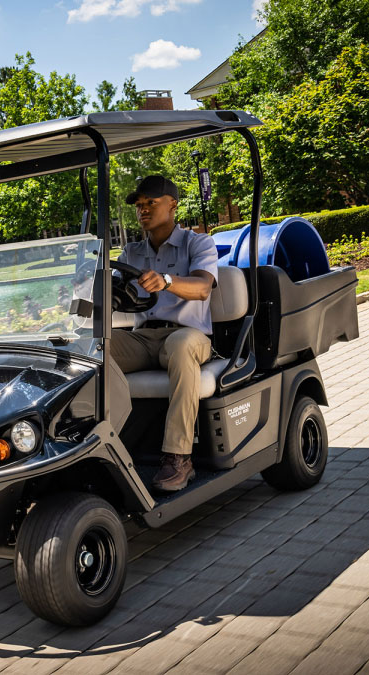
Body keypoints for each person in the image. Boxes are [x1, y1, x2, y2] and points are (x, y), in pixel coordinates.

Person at [111, 175, 218, 492]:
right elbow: (116, 288)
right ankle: (94, 443)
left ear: (172, 204)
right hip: (144, 339)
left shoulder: (197, 243)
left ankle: (178, 459)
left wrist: (167, 281)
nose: (143, 209)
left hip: (189, 335)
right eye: (139, 205)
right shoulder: (131, 252)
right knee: (92, 350)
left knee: (182, 346)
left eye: (150, 203)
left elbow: (202, 288)